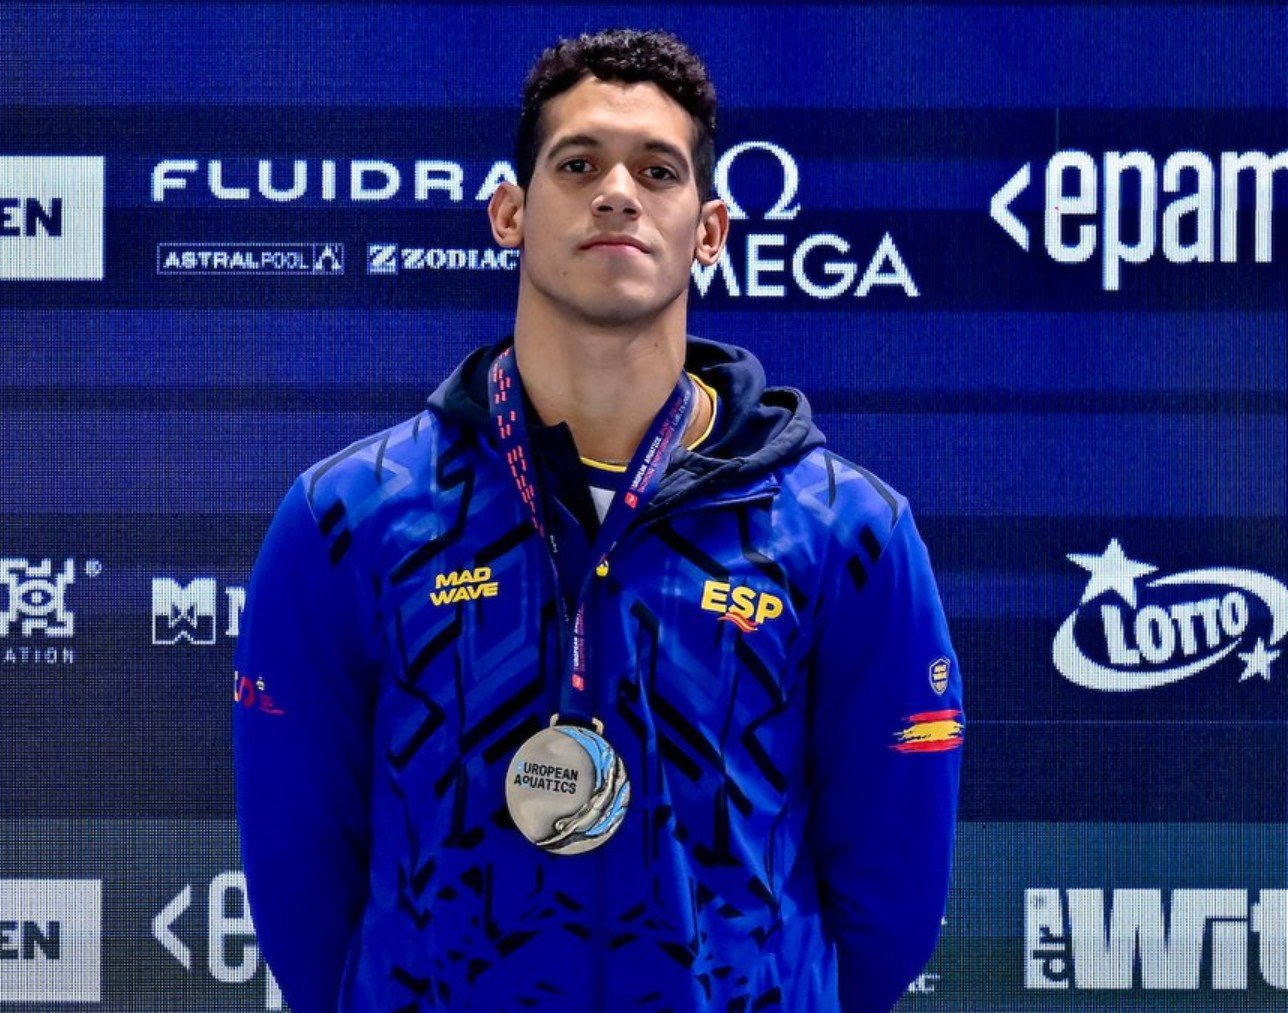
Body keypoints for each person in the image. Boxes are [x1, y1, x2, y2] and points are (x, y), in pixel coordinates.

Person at [234, 28, 962, 1012]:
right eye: (577, 164)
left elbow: (887, 905)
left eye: (657, 171)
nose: (616, 191)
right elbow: (301, 885)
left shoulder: (846, 530)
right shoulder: (349, 515)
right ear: (510, 213)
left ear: (710, 231)